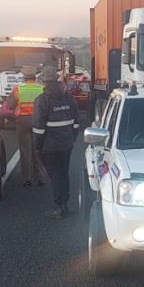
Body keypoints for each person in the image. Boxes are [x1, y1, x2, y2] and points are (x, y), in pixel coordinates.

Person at [32, 68, 82, 219]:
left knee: (55, 176)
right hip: (66, 143)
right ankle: (65, 203)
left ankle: (59, 206)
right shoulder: (69, 98)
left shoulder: (42, 99)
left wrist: (38, 146)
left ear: (45, 82)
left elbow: (38, 127)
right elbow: (76, 122)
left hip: (49, 145)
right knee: (63, 173)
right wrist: (71, 139)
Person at [9, 66, 48, 186]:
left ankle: (27, 179)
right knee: (39, 149)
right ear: (35, 76)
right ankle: (41, 178)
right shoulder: (42, 88)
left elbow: (10, 105)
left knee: (25, 150)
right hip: (38, 121)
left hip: (23, 121)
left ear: (24, 77)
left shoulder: (17, 89)